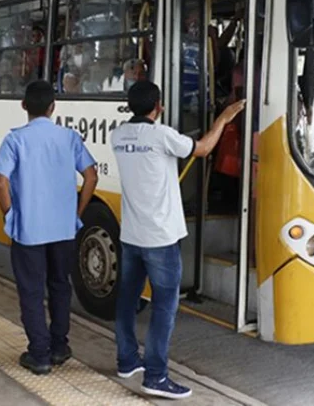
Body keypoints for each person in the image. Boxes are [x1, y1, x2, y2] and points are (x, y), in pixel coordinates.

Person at [111, 81, 244, 400]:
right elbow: (202, 149)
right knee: (164, 307)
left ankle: (127, 361)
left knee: (128, 300)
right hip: (160, 238)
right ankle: (156, 376)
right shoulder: (162, 135)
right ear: (158, 106)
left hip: (131, 235)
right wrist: (222, 120)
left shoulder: (118, 135)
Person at [0, 81, 99, 376]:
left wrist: (10, 215)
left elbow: (0, 181)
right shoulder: (69, 137)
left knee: (32, 291)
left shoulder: (15, 140)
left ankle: (39, 355)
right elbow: (91, 176)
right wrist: (77, 211)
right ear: (53, 108)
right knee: (60, 286)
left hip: (29, 231)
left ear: (24, 106)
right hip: (63, 229)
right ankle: (60, 347)